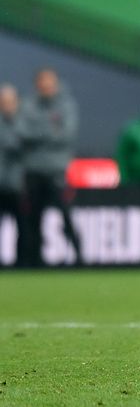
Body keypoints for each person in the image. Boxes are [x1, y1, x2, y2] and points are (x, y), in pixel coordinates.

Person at [20, 68, 83, 267]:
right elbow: (22, 133)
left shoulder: (66, 105)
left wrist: (38, 133)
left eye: (49, 82)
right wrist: (49, 130)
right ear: (37, 84)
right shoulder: (29, 105)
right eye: (42, 82)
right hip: (33, 171)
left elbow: (66, 134)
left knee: (66, 215)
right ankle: (33, 260)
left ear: (55, 83)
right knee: (32, 219)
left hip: (57, 171)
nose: (46, 86)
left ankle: (80, 258)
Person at [0, 84, 26, 266]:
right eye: (3, 102)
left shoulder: (26, 123)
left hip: (19, 184)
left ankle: (23, 262)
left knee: (23, 227)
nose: (7, 105)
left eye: (10, 101)